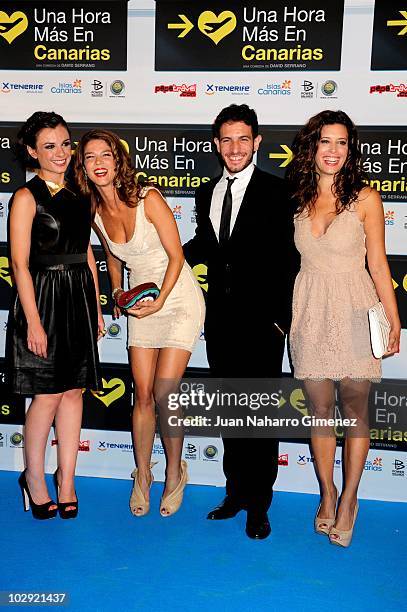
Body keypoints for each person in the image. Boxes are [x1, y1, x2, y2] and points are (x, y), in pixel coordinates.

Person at [74, 129, 205, 517]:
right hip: (140, 302)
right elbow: (113, 257)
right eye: (90, 158)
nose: (98, 163)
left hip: (176, 296)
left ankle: (174, 472)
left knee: (165, 392)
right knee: (142, 393)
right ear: (82, 167)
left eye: (105, 155)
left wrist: (160, 300)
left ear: (118, 161)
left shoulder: (148, 197)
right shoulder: (94, 212)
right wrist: (116, 291)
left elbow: (177, 257)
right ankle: (143, 473)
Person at [183, 104, 298, 539]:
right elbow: (206, 247)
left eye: (243, 139)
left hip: (263, 326)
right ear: (217, 144)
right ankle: (235, 493)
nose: (235, 148)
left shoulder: (278, 191)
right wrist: (162, 262)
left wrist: (280, 322)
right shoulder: (205, 192)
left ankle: (259, 504)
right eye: (227, 139)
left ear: (257, 142)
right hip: (221, 323)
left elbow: (291, 259)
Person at [287, 110, 400, 547]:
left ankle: (351, 498)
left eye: (342, 143)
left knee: (354, 413)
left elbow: (378, 263)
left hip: (355, 308)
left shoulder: (366, 198)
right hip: (310, 310)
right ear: (311, 146)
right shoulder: (296, 197)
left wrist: (392, 320)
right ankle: (327, 493)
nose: (333, 151)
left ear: (350, 150)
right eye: (325, 141)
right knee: (319, 413)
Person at [9, 111, 103, 520]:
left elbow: (85, 252)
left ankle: (67, 480)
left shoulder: (82, 194)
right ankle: (34, 479)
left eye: (66, 144)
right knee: (45, 395)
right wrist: (32, 320)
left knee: (73, 391)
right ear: (32, 152)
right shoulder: (25, 197)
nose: (61, 153)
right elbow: (18, 263)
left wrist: (96, 305)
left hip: (78, 296)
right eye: (49, 146)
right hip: (43, 299)